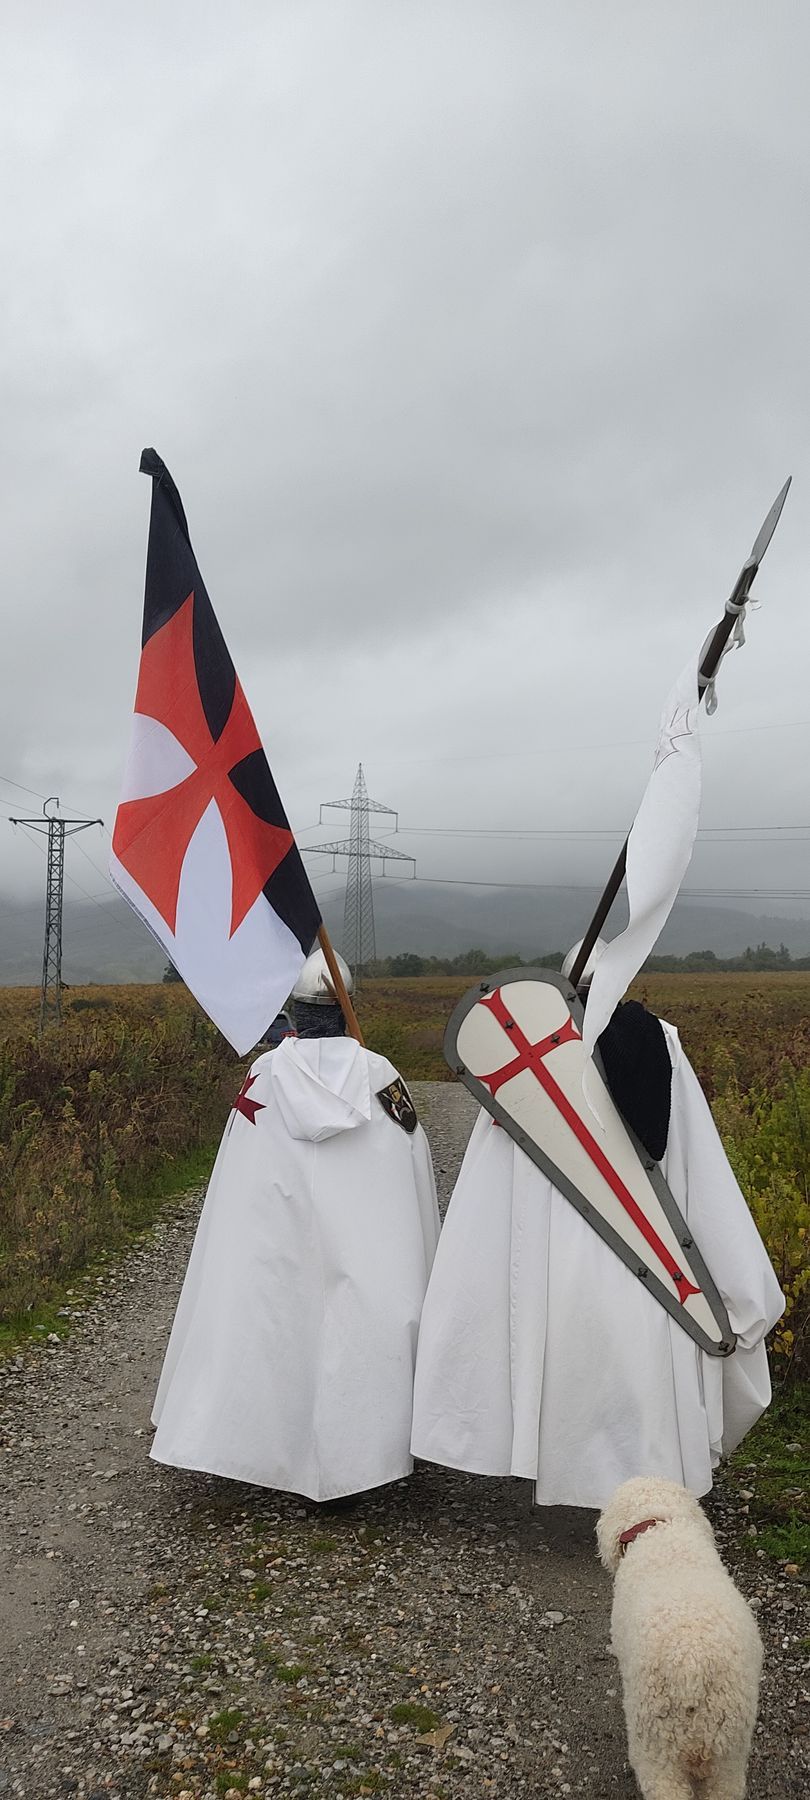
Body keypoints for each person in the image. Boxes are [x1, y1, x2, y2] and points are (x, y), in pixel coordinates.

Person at [410, 940, 784, 1509]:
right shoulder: (658, 1041)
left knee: (560, 1348)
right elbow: (693, 1154)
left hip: (552, 1247)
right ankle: (649, 1487)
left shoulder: (525, 1047)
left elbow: (492, 1177)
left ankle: (571, 1472)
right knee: (641, 1356)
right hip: (650, 1257)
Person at [151, 949, 440, 1502]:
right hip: (366, 1238)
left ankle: (260, 1447)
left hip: (276, 1234)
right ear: (345, 1006)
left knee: (272, 1316)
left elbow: (239, 1168)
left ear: (294, 1010)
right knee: (363, 1321)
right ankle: (367, 1454)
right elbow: (409, 1163)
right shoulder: (379, 1074)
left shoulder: (265, 1074)